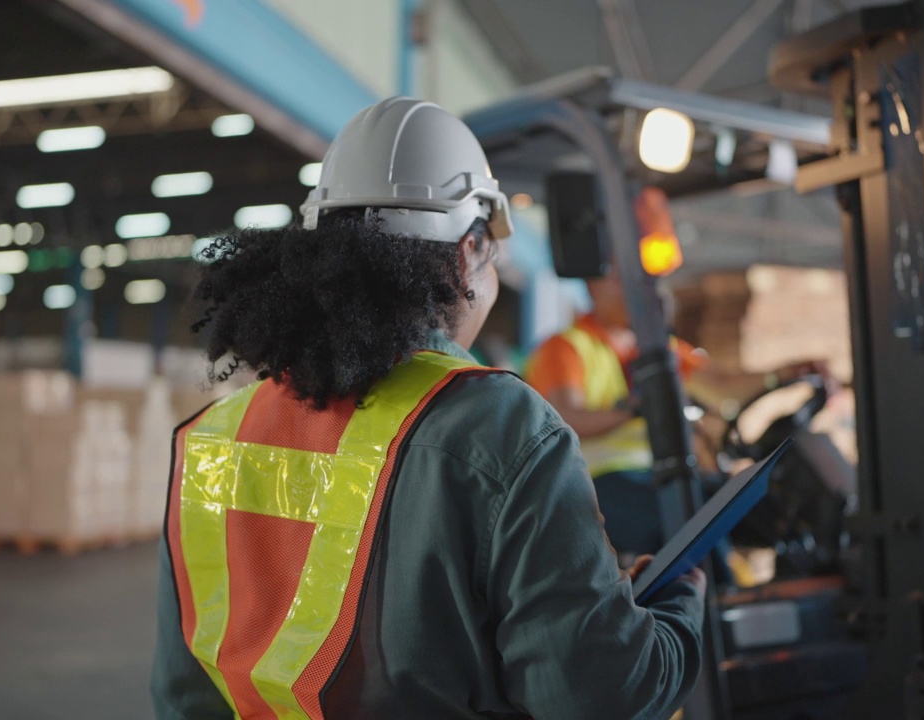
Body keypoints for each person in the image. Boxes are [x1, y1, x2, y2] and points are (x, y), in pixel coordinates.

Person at [151, 97, 707, 720]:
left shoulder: (210, 437)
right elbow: (597, 696)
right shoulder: (500, 425)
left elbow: (183, 695)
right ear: (469, 248)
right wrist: (680, 605)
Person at [525, 265, 831, 561]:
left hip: (654, 477)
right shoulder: (566, 348)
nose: (638, 289)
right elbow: (566, 419)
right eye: (623, 279)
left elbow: (722, 387)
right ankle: (716, 603)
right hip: (592, 487)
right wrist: (633, 411)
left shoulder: (657, 349)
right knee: (691, 518)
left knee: (748, 502)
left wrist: (781, 374)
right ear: (594, 287)